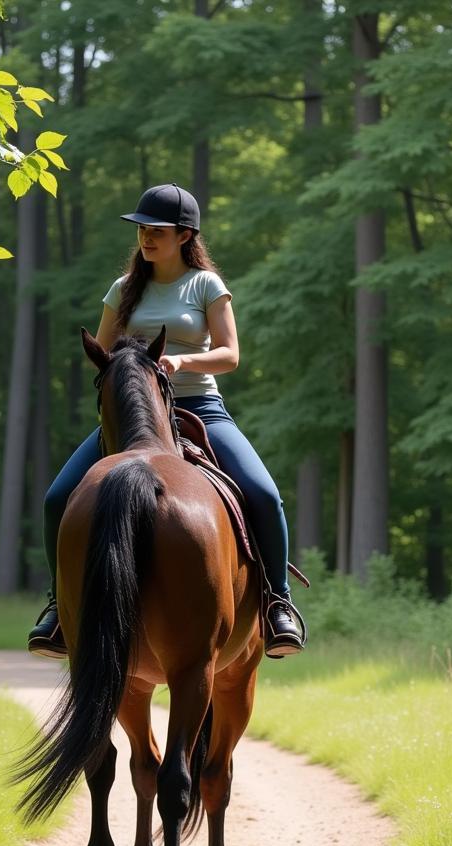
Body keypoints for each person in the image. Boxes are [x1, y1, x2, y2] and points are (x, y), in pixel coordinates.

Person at [27, 183, 305, 659]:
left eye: (156, 231)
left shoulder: (206, 286)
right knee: (58, 498)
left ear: (184, 235)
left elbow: (231, 355)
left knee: (264, 493)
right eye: (142, 231)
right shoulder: (123, 290)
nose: (146, 239)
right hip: (134, 417)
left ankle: (278, 602)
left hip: (198, 408)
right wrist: (128, 371)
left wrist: (180, 363)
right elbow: (103, 353)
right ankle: (59, 608)